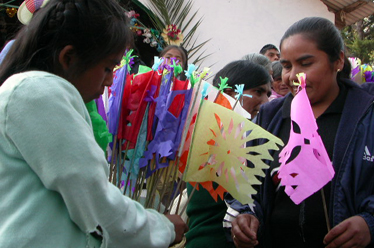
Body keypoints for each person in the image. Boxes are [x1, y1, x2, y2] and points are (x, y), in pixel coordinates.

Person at [0, 0, 187, 247]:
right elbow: (97, 203)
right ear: (68, 58)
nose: (110, 81)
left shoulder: (30, 90)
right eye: (107, 68)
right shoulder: (38, 91)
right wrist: (164, 227)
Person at [226, 17, 374, 248]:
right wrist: (245, 216)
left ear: (338, 60)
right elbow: (246, 184)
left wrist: (369, 223)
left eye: (305, 64)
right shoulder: (269, 116)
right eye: (286, 66)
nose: (293, 76)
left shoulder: (367, 114)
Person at [185, 60, 272, 248]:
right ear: (231, 94)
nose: (266, 102)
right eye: (258, 92)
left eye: (268, 94)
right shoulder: (220, 139)